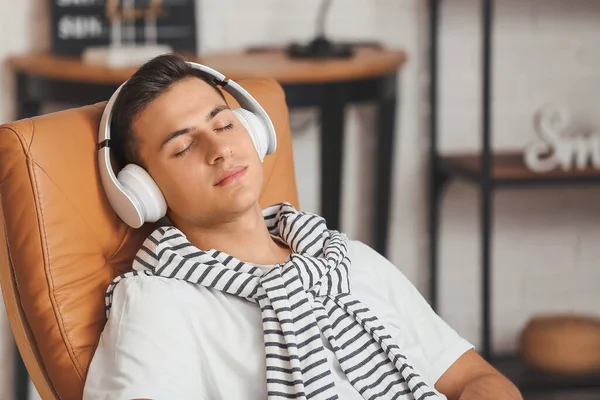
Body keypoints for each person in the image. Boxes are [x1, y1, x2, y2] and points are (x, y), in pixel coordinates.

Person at [83, 54, 522, 400]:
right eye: (182, 147)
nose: (219, 149)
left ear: (253, 133)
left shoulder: (347, 260)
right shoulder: (158, 302)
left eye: (224, 124)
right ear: (144, 192)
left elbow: (478, 378)